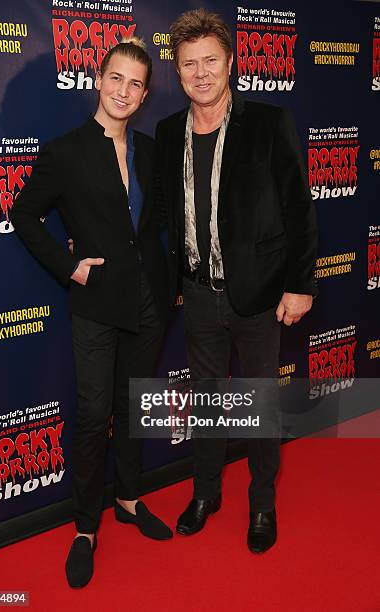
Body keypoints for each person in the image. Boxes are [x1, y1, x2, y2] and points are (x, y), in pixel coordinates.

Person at [10, 37, 172, 589]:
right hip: (97, 303)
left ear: (145, 94)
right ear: (98, 80)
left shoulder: (151, 151)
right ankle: (85, 528)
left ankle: (128, 499)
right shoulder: (66, 150)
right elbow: (24, 214)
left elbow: (160, 221)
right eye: (116, 78)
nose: (124, 91)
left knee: (132, 409)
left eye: (135, 84)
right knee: (92, 414)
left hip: (149, 302)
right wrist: (69, 266)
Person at [155, 9, 318, 553]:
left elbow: (299, 209)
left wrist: (301, 285)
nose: (200, 73)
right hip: (198, 296)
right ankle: (206, 494)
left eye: (209, 62)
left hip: (258, 296)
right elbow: (158, 217)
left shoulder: (270, 123)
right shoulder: (166, 131)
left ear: (229, 63)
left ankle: (263, 503)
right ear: (177, 73)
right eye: (188, 65)